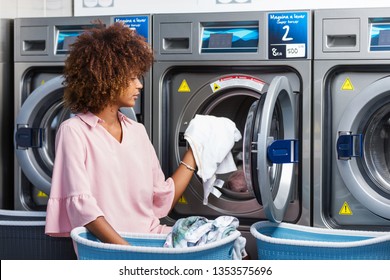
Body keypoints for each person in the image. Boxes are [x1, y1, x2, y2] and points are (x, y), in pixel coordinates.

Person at [45, 22, 197, 246]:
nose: (140, 85)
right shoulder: (74, 131)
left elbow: (161, 199)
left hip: (150, 237)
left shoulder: (137, 131)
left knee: (232, 244)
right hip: (105, 246)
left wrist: (195, 152)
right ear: (106, 78)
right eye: (132, 77)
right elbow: (82, 208)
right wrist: (127, 251)